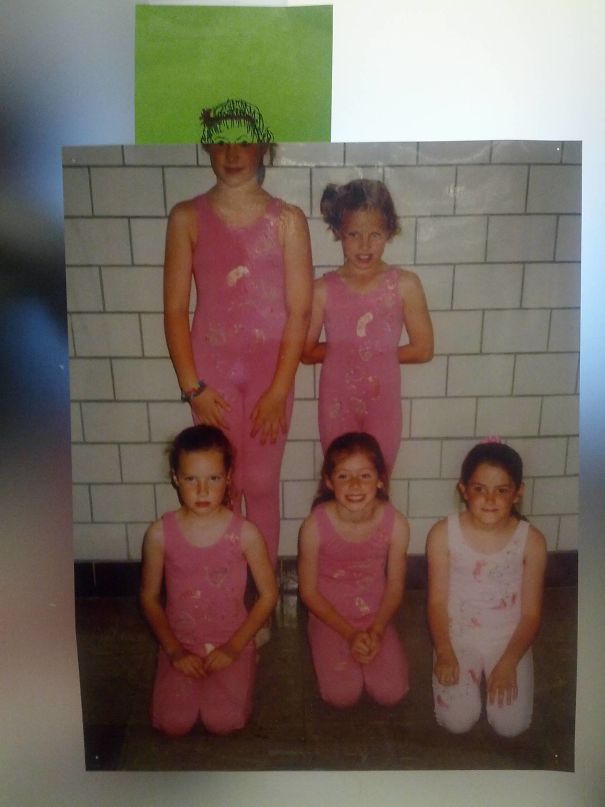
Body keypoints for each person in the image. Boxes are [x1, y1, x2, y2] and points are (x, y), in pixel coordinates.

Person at [164, 99, 313, 566]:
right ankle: (224, 585)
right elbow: (174, 311)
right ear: (207, 146)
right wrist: (193, 387)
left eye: (244, 141)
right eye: (222, 142)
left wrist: (280, 389)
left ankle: (262, 589)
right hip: (211, 378)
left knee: (262, 484)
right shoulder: (187, 217)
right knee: (220, 485)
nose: (232, 153)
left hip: (271, 375)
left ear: (263, 146)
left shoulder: (288, 220)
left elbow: (299, 312)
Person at [140, 425, 278, 736]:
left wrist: (235, 647)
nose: (202, 491)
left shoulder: (245, 534)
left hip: (232, 641)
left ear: (228, 478)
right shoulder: (159, 534)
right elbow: (148, 598)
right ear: (175, 478)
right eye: (191, 479)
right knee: (173, 723)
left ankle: (248, 659)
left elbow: (269, 595)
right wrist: (174, 651)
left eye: (213, 478)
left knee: (223, 721)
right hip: (181, 642)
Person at [302, 179, 433, 472]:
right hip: (337, 404)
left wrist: (373, 353)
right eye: (354, 234)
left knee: (379, 479)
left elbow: (423, 349)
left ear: (389, 232)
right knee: (340, 478)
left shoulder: (405, 285)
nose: (364, 245)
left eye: (375, 234)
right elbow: (306, 352)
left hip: (382, 406)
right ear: (339, 232)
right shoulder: (322, 290)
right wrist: (350, 352)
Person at [426, 440, 547, 737]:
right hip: (457, 638)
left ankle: (509, 668)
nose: (490, 499)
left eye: (502, 490)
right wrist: (444, 651)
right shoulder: (442, 534)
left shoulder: (532, 541)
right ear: (464, 490)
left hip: (507, 640)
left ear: (518, 492)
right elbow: (437, 603)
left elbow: (531, 614)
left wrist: (509, 663)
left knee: (511, 726)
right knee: (457, 721)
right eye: (480, 488)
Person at [298, 432, 410, 707]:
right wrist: (349, 634)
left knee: (392, 692)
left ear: (380, 479)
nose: (355, 485)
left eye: (365, 475)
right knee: (342, 696)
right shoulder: (314, 526)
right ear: (329, 481)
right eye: (344, 476)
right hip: (329, 618)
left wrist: (378, 630)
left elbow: (395, 586)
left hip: (375, 617)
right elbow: (308, 592)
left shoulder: (396, 524)